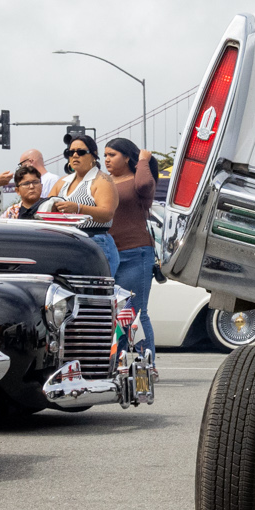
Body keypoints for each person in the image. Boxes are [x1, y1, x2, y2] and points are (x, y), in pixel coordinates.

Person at [101, 137, 158, 352]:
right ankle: (120, 362)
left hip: (136, 253)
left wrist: (143, 160)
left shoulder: (138, 181)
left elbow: (145, 183)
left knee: (135, 311)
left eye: (112, 155)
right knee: (116, 314)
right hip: (109, 254)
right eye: (105, 155)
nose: (107, 159)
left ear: (127, 157)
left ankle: (146, 364)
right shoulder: (105, 181)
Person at [47, 130, 111, 217]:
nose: (75, 155)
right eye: (71, 152)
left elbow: (107, 214)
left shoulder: (103, 181)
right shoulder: (62, 182)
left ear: (94, 155)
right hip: (63, 230)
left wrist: (79, 208)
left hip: (91, 230)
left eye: (81, 152)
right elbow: (45, 208)